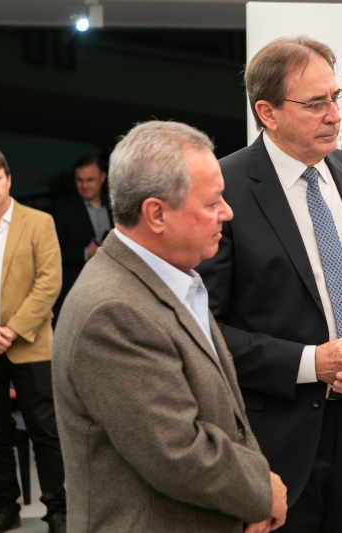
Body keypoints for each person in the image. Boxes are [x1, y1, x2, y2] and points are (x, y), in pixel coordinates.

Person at [197, 36, 342, 533]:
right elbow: (203, 331)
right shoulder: (224, 187)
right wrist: (311, 363)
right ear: (267, 113)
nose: (335, 114)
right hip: (272, 443)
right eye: (317, 103)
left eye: (337, 97)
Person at [52, 121, 287, 533]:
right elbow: (176, 451)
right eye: (213, 202)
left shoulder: (173, 281)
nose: (227, 212)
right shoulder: (113, 311)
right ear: (156, 213)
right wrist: (260, 492)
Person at [0, 149, 66, 533]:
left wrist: (11, 330)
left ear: (8, 179)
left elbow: (49, 282)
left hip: (31, 343)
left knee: (45, 429)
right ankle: (5, 506)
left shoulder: (38, 222)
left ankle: (58, 509)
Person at [51, 154, 113, 325]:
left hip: (113, 289)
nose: (84, 185)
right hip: (77, 295)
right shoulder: (63, 210)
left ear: (102, 178)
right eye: (80, 180)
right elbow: (51, 255)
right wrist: (85, 253)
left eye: (90, 180)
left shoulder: (116, 206)